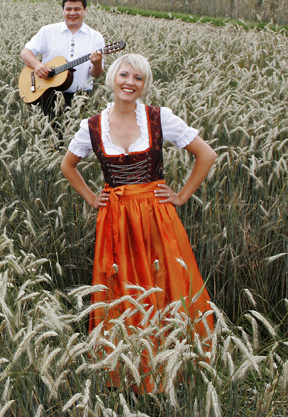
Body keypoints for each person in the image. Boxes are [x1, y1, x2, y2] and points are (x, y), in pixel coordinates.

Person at [60, 54, 216, 389]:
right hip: (116, 219)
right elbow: (67, 166)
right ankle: (128, 370)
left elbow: (207, 155)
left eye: (139, 78)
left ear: (145, 85)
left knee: (167, 283)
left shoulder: (160, 118)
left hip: (156, 217)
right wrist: (91, 197)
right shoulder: (93, 126)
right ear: (112, 78)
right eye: (124, 75)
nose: (130, 83)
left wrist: (182, 195)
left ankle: (176, 366)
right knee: (123, 287)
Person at [21, 0, 104, 119]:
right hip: (48, 93)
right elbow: (26, 52)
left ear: (85, 10)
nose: (72, 13)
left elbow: (95, 74)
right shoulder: (48, 31)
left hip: (80, 98)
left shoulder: (95, 37)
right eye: (68, 9)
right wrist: (37, 65)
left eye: (77, 9)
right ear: (63, 10)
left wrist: (97, 63)